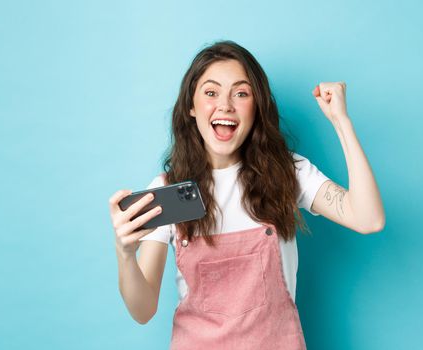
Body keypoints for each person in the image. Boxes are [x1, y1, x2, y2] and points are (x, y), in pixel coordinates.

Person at [108, 40, 385, 350]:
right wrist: (125, 253)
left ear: (257, 107)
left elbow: (368, 218)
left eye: (241, 93)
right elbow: (143, 309)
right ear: (190, 106)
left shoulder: (288, 173)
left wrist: (341, 122)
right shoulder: (166, 191)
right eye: (211, 93)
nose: (225, 105)